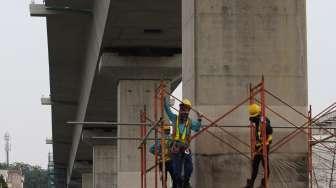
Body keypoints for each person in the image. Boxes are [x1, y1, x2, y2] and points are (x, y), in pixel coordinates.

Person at [164, 96, 202, 188]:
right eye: (182, 109)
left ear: (188, 112)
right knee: (177, 170)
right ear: (180, 110)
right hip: (176, 146)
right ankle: (178, 184)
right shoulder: (174, 118)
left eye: (185, 110)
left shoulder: (189, 122)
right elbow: (167, 110)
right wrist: (164, 99)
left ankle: (186, 182)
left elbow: (196, 128)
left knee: (189, 167)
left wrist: (199, 119)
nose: (183, 112)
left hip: (185, 147)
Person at [245, 104, 273, 188]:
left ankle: (264, 184)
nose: (253, 119)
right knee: (255, 165)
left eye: (255, 117)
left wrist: (264, 123)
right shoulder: (257, 121)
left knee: (265, 166)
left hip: (264, 146)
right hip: (259, 146)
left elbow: (270, 130)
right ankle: (251, 184)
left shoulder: (264, 120)